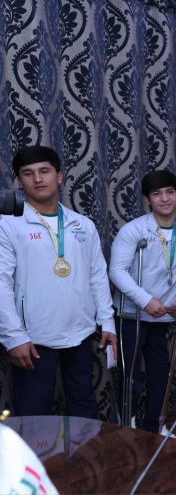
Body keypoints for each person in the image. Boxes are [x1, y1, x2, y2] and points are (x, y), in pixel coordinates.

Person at [0, 145, 117, 418]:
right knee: (34, 416)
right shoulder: (8, 225)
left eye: (44, 171)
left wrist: (107, 322)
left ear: (59, 176)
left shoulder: (82, 224)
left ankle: (83, 449)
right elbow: (1, 284)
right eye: (28, 173)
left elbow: (97, 276)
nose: (37, 179)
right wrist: (13, 337)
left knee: (83, 409)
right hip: (33, 339)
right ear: (20, 181)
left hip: (81, 334)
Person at [108, 169, 176, 432]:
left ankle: (155, 427)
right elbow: (116, 271)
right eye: (157, 194)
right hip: (131, 315)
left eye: (170, 192)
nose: (165, 199)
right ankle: (128, 425)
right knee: (130, 375)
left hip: (166, 315)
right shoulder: (134, 230)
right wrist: (145, 300)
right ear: (148, 199)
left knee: (160, 375)